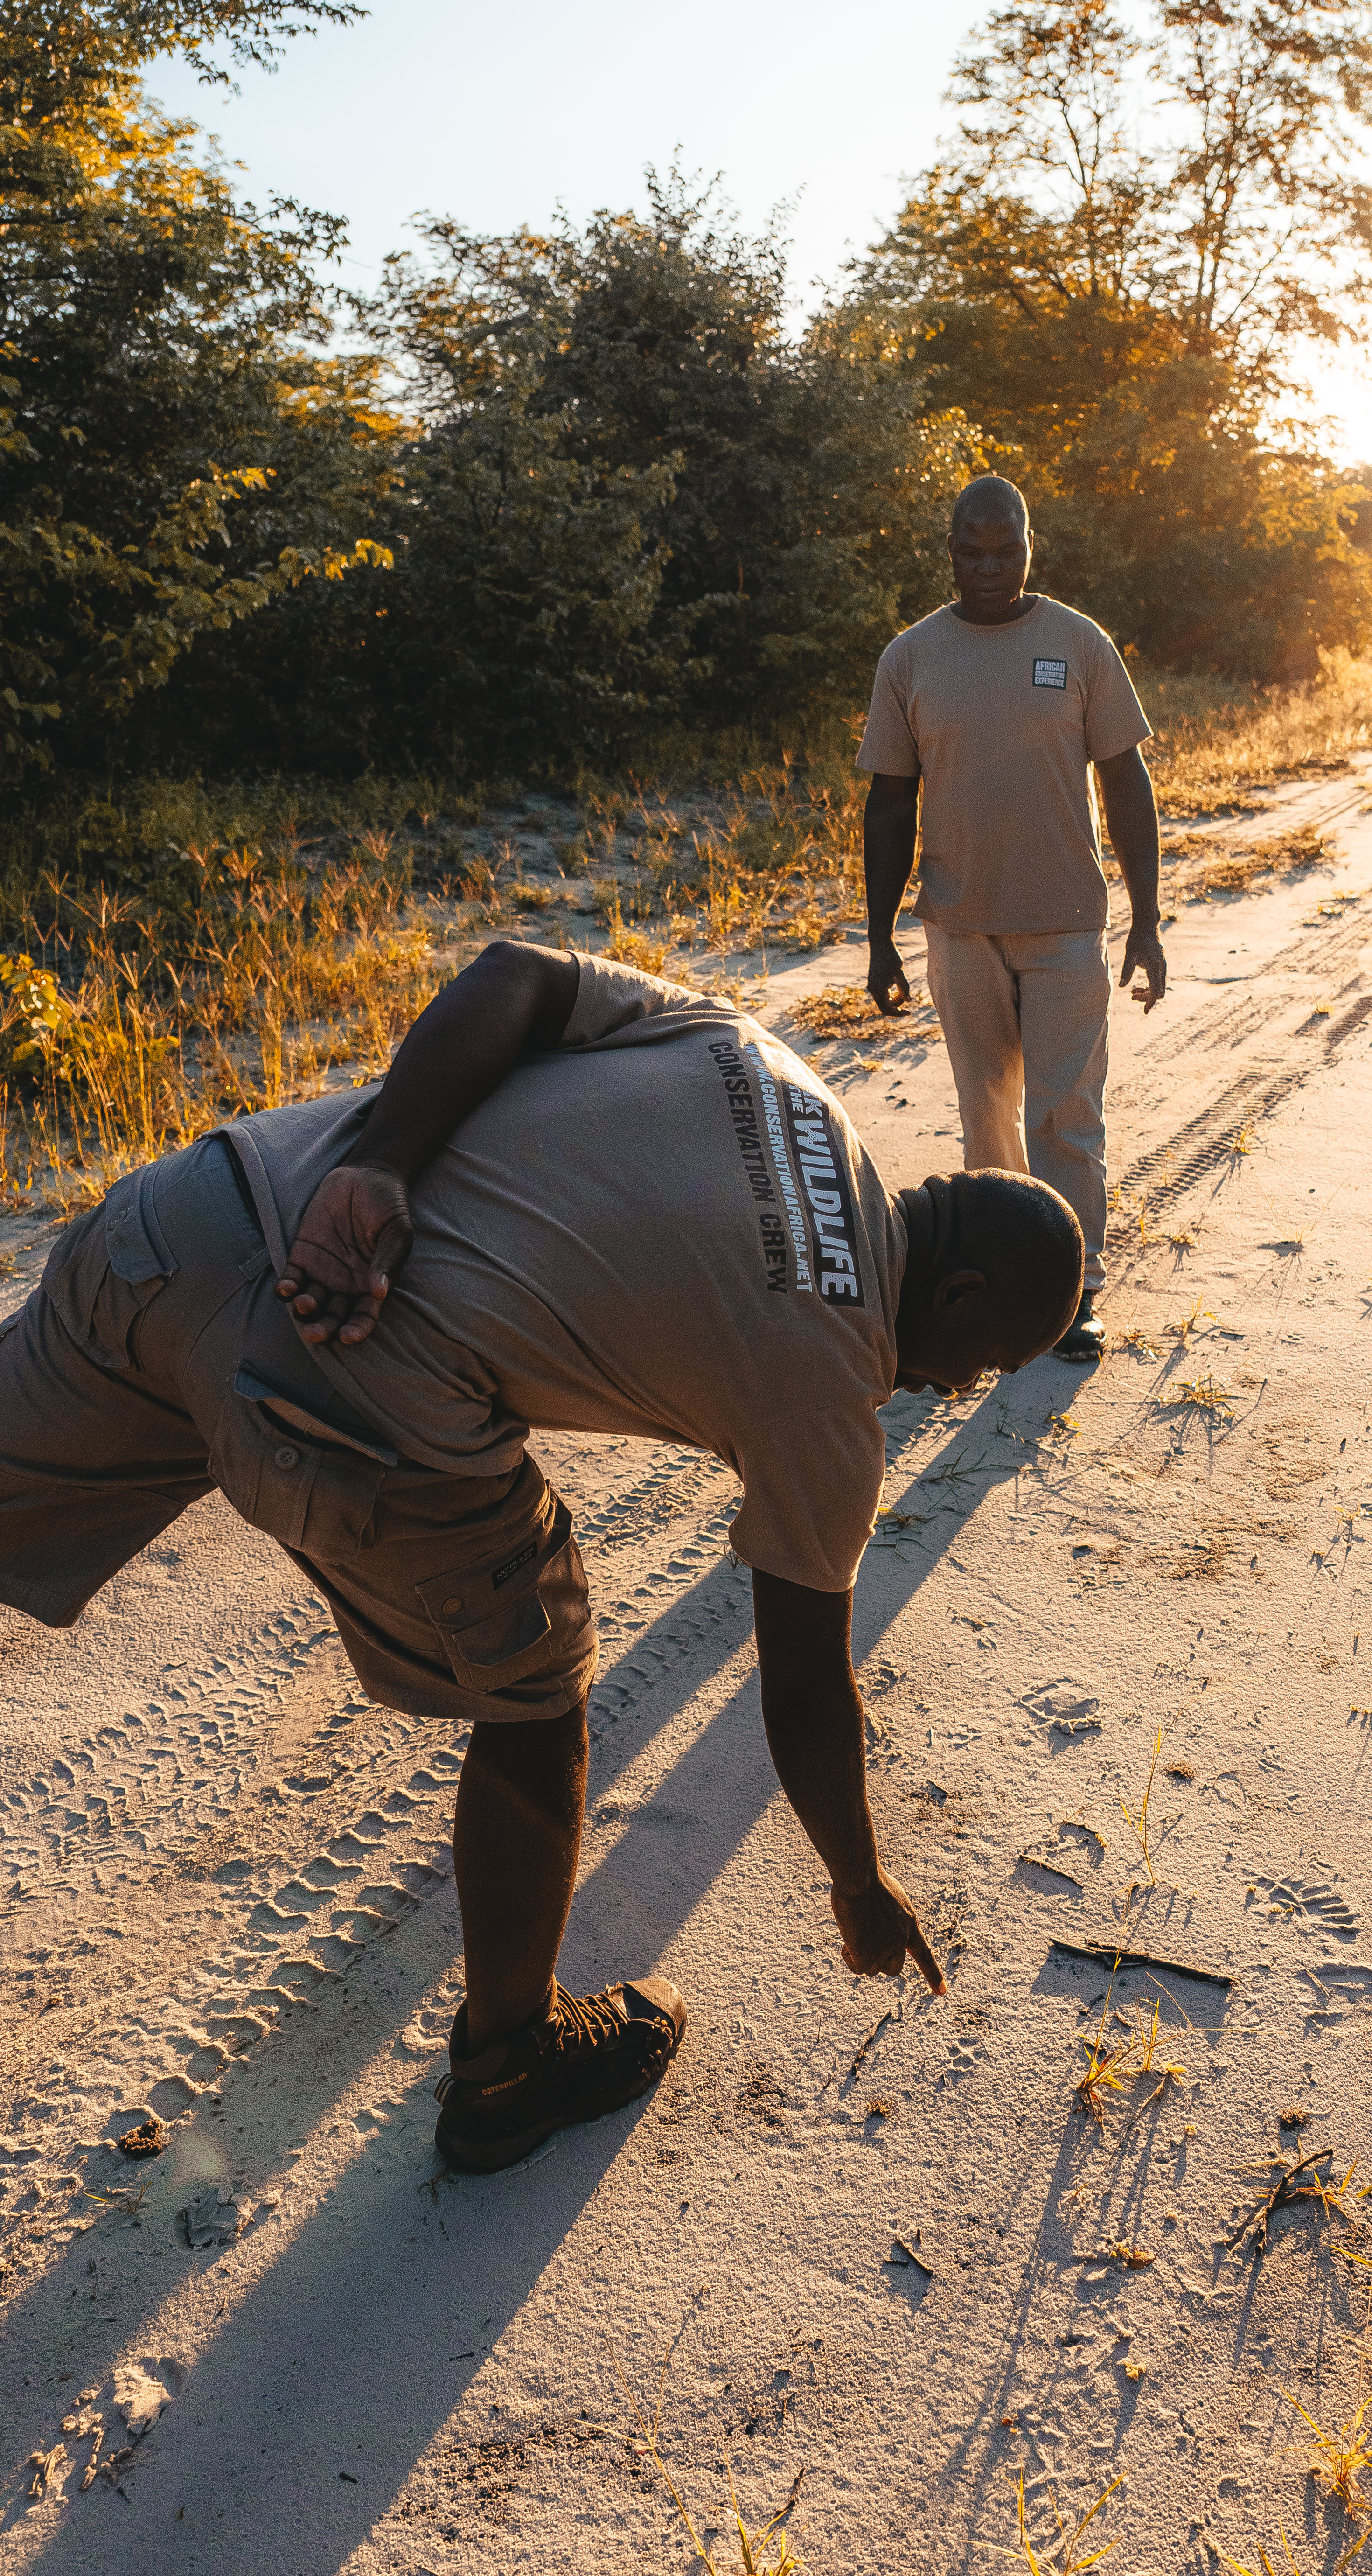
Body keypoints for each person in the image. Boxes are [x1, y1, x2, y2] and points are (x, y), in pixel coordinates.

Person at [0, 942, 1082, 2174]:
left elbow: (514, 974)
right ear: (963, 1295)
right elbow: (802, 1688)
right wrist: (858, 1881)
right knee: (539, 1691)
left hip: (184, 1217)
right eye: (976, 1366)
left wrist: (382, 1165)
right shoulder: (833, 1386)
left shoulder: (774, 1069)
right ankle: (510, 2066)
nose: (949, 1390)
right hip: (320, 1377)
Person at [860, 475, 1168, 1364]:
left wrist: (1145, 919)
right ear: (949, 549)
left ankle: (1075, 1293)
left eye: (1006, 550)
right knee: (987, 1112)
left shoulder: (1077, 644)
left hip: (1067, 920)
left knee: (1066, 1115)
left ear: (1029, 545)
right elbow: (888, 803)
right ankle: (1003, 1289)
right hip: (960, 926)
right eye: (971, 550)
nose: (989, 567)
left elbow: (1125, 782)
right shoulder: (911, 658)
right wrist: (880, 937)